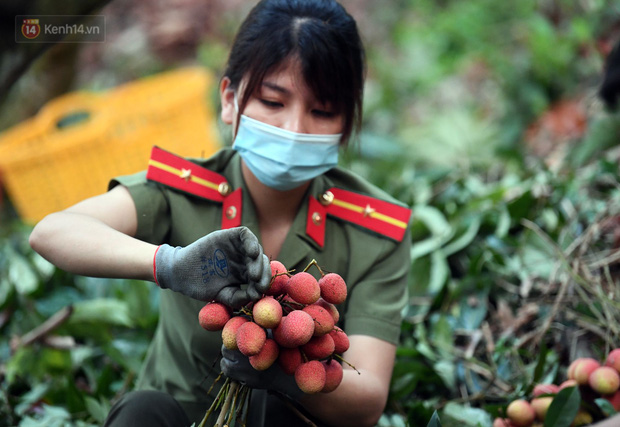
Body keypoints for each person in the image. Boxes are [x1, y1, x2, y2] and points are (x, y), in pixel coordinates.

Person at [28, 0, 412, 426]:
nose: (294, 129)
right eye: (272, 101)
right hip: (174, 417)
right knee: (143, 413)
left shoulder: (376, 229)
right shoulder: (183, 189)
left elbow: (369, 399)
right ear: (229, 100)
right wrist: (169, 264)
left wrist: (282, 378)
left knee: (280, 413)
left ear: (347, 126)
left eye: (322, 111)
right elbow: (53, 232)